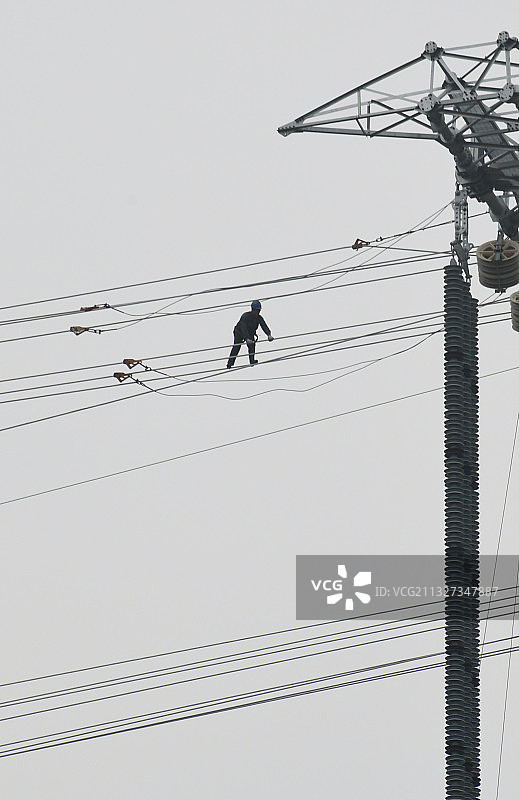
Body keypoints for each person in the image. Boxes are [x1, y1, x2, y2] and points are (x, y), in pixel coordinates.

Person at [226, 300, 274, 368]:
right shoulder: (245, 316)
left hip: (250, 333)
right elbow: (243, 328)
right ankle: (230, 363)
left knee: (252, 346)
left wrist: (269, 334)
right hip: (239, 332)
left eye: (259, 310)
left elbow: (264, 326)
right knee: (237, 346)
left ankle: (252, 361)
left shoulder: (259, 318)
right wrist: (246, 338)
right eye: (256, 310)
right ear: (252, 309)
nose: (257, 312)